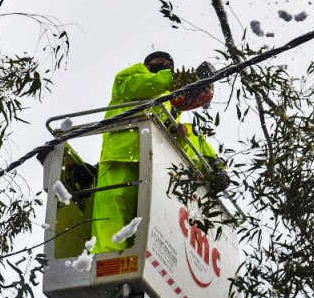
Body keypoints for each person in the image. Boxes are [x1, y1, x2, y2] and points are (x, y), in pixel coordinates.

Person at [91, 51, 220, 253]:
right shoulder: (131, 75)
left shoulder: (165, 101)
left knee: (142, 211)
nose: (164, 66)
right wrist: (179, 79)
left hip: (149, 160)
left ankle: (134, 255)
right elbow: (142, 86)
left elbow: (172, 134)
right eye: (159, 62)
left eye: (168, 64)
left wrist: (180, 133)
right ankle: (107, 255)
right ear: (147, 64)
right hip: (120, 154)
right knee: (113, 203)